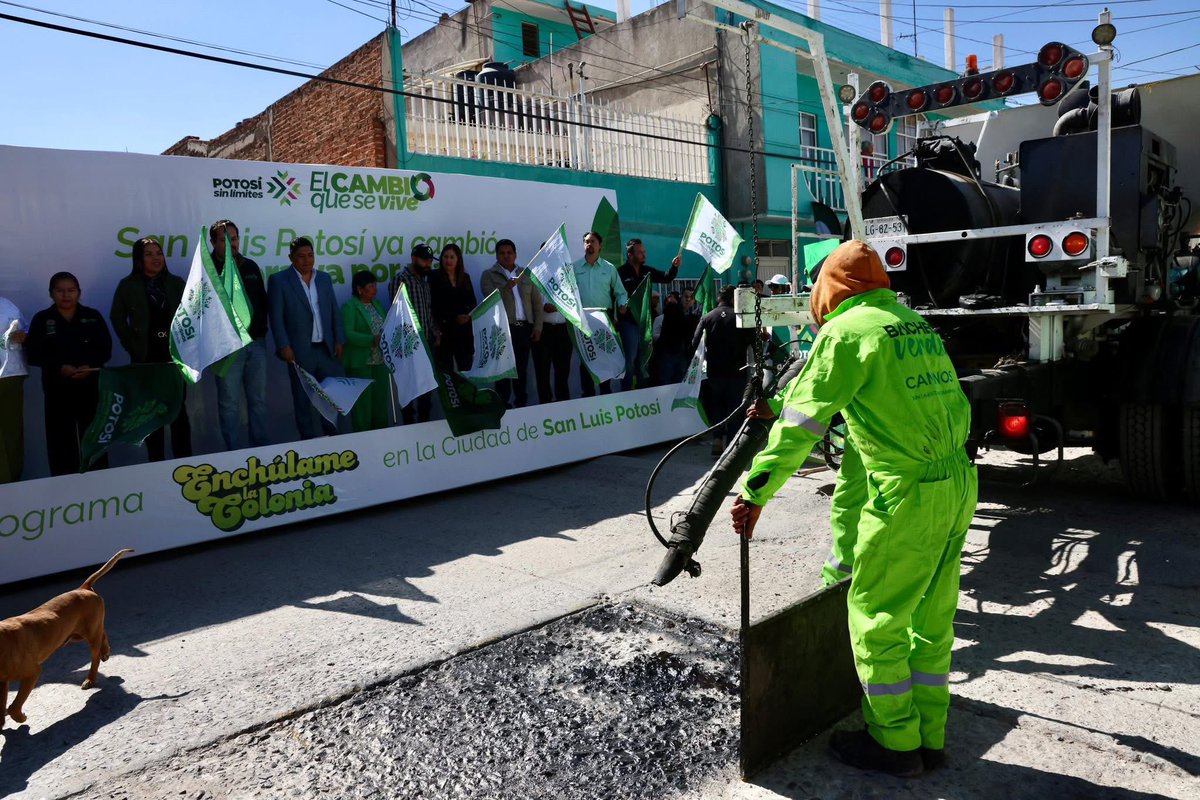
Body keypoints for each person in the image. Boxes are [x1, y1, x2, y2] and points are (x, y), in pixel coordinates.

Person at [729, 241, 977, 778]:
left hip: (907, 495)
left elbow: (802, 425)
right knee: (931, 622)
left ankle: (893, 743)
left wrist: (755, 490)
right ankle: (929, 738)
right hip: (957, 483)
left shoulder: (845, 332)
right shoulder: (911, 322)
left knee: (876, 620)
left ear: (830, 288)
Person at [110, 237, 192, 462]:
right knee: (151, 412)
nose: (156, 258)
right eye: (149, 254)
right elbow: (117, 317)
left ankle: (185, 462)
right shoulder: (128, 285)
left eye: (159, 253)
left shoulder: (175, 283)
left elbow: (192, 313)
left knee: (177, 411)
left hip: (174, 356)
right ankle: (156, 463)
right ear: (138, 259)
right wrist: (132, 345)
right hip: (146, 357)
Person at [23, 272, 112, 475]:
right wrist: (58, 368)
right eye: (60, 291)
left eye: (71, 290)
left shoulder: (92, 316)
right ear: (51, 294)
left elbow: (105, 349)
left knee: (94, 440)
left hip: (91, 390)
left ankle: (101, 487)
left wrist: (89, 365)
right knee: (60, 443)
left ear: (79, 292)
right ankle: (64, 492)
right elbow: (34, 354)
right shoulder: (43, 319)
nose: (66, 295)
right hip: (57, 392)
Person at [268, 237, 346, 439]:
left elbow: (334, 311)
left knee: (332, 398)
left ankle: (335, 441)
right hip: (299, 351)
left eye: (310, 255)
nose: (306, 260)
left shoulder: (324, 279)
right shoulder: (279, 280)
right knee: (303, 400)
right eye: (301, 256)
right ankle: (309, 444)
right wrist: (283, 345)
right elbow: (276, 317)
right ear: (291, 258)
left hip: (326, 349)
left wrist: (339, 340)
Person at [209, 219, 270, 451]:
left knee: (259, 401)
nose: (231, 244)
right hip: (227, 348)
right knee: (229, 404)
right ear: (213, 242)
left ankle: (262, 451)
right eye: (225, 240)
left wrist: (260, 331)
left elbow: (262, 303)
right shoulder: (208, 270)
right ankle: (233, 454)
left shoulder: (251, 266)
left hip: (256, 345)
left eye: (234, 239)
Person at [691, 284, 753, 456]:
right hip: (737, 370)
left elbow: (694, 343)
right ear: (734, 298)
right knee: (734, 408)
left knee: (718, 406)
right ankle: (732, 446)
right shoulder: (741, 317)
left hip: (714, 371)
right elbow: (753, 341)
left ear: (719, 298)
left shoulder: (707, 317)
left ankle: (717, 440)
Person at [479, 239, 542, 407]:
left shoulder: (525, 274)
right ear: (497, 255)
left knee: (521, 370)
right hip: (503, 330)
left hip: (524, 329)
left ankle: (522, 404)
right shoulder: (488, 275)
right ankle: (502, 406)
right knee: (503, 371)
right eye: (502, 253)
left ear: (515, 254)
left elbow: (537, 303)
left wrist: (537, 327)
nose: (506, 256)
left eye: (509, 253)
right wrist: (505, 287)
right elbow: (488, 298)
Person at [616, 240, 679, 392]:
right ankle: (626, 392)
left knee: (643, 361)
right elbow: (614, 293)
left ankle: (644, 393)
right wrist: (618, 309)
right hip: (628, 322)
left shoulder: (648, 271)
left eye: (644, 252)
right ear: (630, 254)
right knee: (630, 361)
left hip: (645, 324)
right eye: (640, 252)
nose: (644, 255)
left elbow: (666, 277)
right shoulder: (620, 272)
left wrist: (674, 267)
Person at [573, 231, 627, 396]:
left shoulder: (609, 268)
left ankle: (606, 393)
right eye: (586, 242)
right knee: (587, 357)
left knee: (604, 356)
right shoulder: (574, 267)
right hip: (583, 320)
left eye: (593, 241)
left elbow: (621, 292)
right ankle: (587, 395)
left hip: (604, 318)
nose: (589, 244)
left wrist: (623, 304)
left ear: (600, 245)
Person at [390, 243, 440, 424]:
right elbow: (398, 313)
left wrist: (435, 332)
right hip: (409, 344)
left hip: (427, 342)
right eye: (424, 260)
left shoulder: (424, 282)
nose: (428, 264)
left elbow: (428, 311)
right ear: (413, 259)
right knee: (410, 388)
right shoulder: (401, 279)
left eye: (429, 261)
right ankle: (409, 427)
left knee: (426, 388)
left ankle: (425, 425)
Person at [340, 270, 391, 432]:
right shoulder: (350, 307)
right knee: (363, 405)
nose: (375, 289)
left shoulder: (377, 305)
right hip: (361, 362)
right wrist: (371, 340)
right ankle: (363, 440)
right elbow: (347, 333)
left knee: (380, 402)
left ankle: (382, 438)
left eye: (375, 285)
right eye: (370, 286)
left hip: (380, 361)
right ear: (359, 289)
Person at [430, 243, 477, 371]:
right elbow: (435, 305)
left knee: (466, 369)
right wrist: (454, 318)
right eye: (445, 257)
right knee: (446, 372)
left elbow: (473, 302)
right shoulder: (434, 277)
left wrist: (467, 316)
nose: (448, 260)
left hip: (464, 332)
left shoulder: (465, 278)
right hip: (444, 332)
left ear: (458, 260)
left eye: (452, 257)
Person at [0, 296, 28, 483]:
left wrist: (23, 336)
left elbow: (25, 330)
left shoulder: (7, 305)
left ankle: (11, 483)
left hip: (10, 377)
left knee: (11, 433)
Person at [533, 283, 573, 405]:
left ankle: (563, 403)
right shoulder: (536, 276)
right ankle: (545, 404)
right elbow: (531, 302)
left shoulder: (568, 278)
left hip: (564, 329)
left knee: (563, 369)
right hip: (543, 329)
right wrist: (543, 307)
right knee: (542, 370)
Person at [652, 291, 689, 385]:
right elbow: (654, 335)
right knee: (666, 382)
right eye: (669, 300)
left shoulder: (683, 317)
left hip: (679, 353)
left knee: (679, 381)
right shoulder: (660, 319)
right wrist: (664, 338)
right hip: (666, 353)